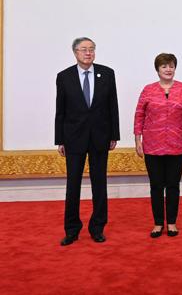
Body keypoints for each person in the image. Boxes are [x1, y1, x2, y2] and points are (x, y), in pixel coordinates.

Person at [55, 37, 120, 246]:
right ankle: (72, 229)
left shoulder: (107, 74)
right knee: (72, 185)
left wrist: (114, 135)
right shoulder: (64, 77)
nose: (88, 53)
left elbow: (113, 107)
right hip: (73, 138)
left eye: (91, 49)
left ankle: (97, 227)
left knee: (99, 183)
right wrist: (60, 140)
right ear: (75, 52)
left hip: (100, 137)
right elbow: (60, 111)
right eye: (84, 50)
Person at [134, 53, 182, 238]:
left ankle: (171, 222)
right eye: (164, 66)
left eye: (171, 66)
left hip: (177, 143)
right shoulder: (148, 90)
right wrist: (137, 139)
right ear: (157, 69)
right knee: (156, 185)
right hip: (152, 144)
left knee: (173, 185)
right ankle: (157, 224)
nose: (168, 69)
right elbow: (139, 115)